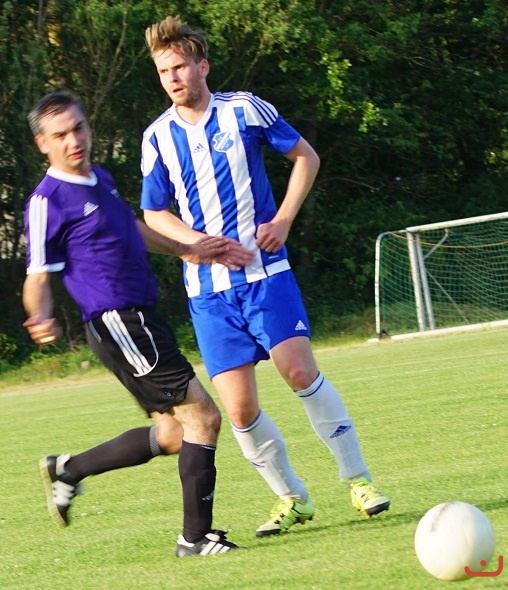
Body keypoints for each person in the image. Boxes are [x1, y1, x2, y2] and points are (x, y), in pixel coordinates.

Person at [140, 16, 391, 537]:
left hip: (265, 274)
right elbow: (154, 213)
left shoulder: (243, 109)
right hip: (208, 294)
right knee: (238, 409)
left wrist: (283, 220)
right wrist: (193, 244)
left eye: (180, 66)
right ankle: (292, 499)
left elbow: (305, 157)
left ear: (202, 66)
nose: (173, 77)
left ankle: (359, 481)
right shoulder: (157, 137)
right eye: (164, 71)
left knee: (298, 372)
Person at [23, 90, 255, 557]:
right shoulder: (47, 201)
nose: (74, 141)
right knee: (204, 418)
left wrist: (188, 249)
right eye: (61, 135)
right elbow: (38, 274)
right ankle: (195, 539)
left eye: (79, 128)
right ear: (42, 144)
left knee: (173, 434)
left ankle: (68, 470)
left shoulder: (100, 180)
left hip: (140, 318)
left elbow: (133, 228)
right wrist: (39, 315)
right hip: (120, 321)